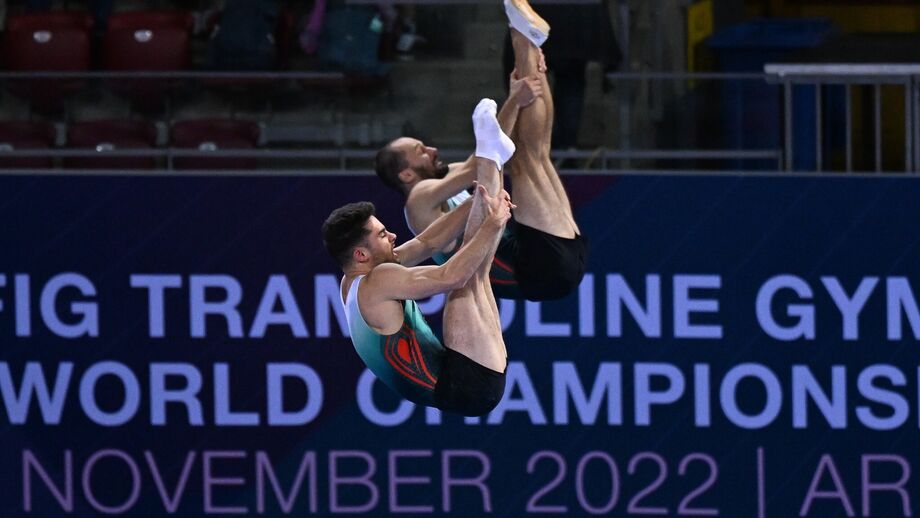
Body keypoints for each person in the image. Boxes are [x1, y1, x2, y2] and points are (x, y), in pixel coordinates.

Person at [373, 0, 587, 302]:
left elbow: (489, 156)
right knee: (528, 160)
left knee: (534, 154)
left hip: (551, 257)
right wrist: (513, 99)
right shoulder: (419, 200)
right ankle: (523, 39)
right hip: (532, 268)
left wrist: (520, 93)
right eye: (420, 151)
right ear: (406, 173)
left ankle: (525, 38)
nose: (431, 149)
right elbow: (482, 164)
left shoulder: (447, 180)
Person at [323, 99, 516, 415]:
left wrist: (473, 205)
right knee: (465, 277)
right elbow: (452, 275)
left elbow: (427, 242)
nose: (394, 236)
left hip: (466, 379)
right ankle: (491, 158)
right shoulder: (378, 281)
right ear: (360, 253)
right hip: (466, 384)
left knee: (472, 261)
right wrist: (493, 224)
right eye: (383, 235)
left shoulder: (354, 279)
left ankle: (491, 164)